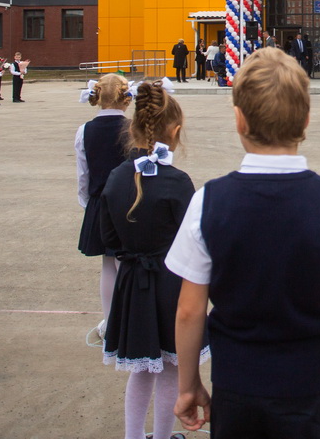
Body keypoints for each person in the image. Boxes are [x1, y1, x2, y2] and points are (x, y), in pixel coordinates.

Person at [168, 48, 320, 437]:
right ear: (306, 119)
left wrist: (188, 384)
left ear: (239, 120)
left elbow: (188, 311)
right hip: (307, 387)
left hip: (236, 385)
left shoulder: (208, 201)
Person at [100, 79, 205, 439]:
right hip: (170, 285)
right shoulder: (177, 182)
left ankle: (133, 436)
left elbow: (109, 240)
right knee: (171, 370)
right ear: (174, 132)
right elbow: (192, 242)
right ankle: (161, 437)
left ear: (132, 128)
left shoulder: (114, 179)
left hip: (132, 283)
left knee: (140, 370)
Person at [75, 73, 132, 339]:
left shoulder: (84, 130)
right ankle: (129, 323)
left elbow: (83, 175)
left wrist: (90, 204)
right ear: (125, 97)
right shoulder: (134, 128)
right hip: (130, 203)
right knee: (127, 266)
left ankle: (111, 324)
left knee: (108, 263)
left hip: (100, 202)